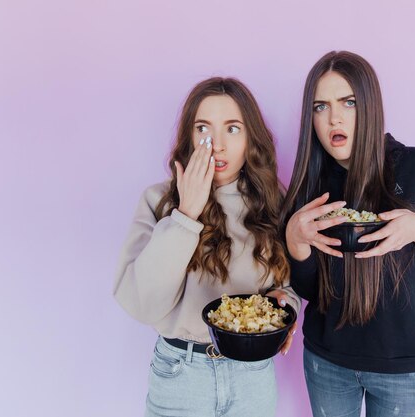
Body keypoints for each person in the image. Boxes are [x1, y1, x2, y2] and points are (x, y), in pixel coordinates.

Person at [282, 51, 415, 417]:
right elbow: (310, 292)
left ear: (370, 107)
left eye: (349, 103)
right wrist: (296, 242)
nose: (335, 118)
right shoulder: (310, 185)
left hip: (406, 368)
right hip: (327, 362)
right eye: (320, 106)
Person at [114, 77, 300, 417]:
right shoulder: (158, 200)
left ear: (250, 137)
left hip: (252, 378)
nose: (217, 145)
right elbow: (142, 304)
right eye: (204, 128)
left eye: (232, 129)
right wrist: (185, 215)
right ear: (189, 137)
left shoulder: (274, 202)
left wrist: (285, 305)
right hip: (182, 375)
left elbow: (288, 285)